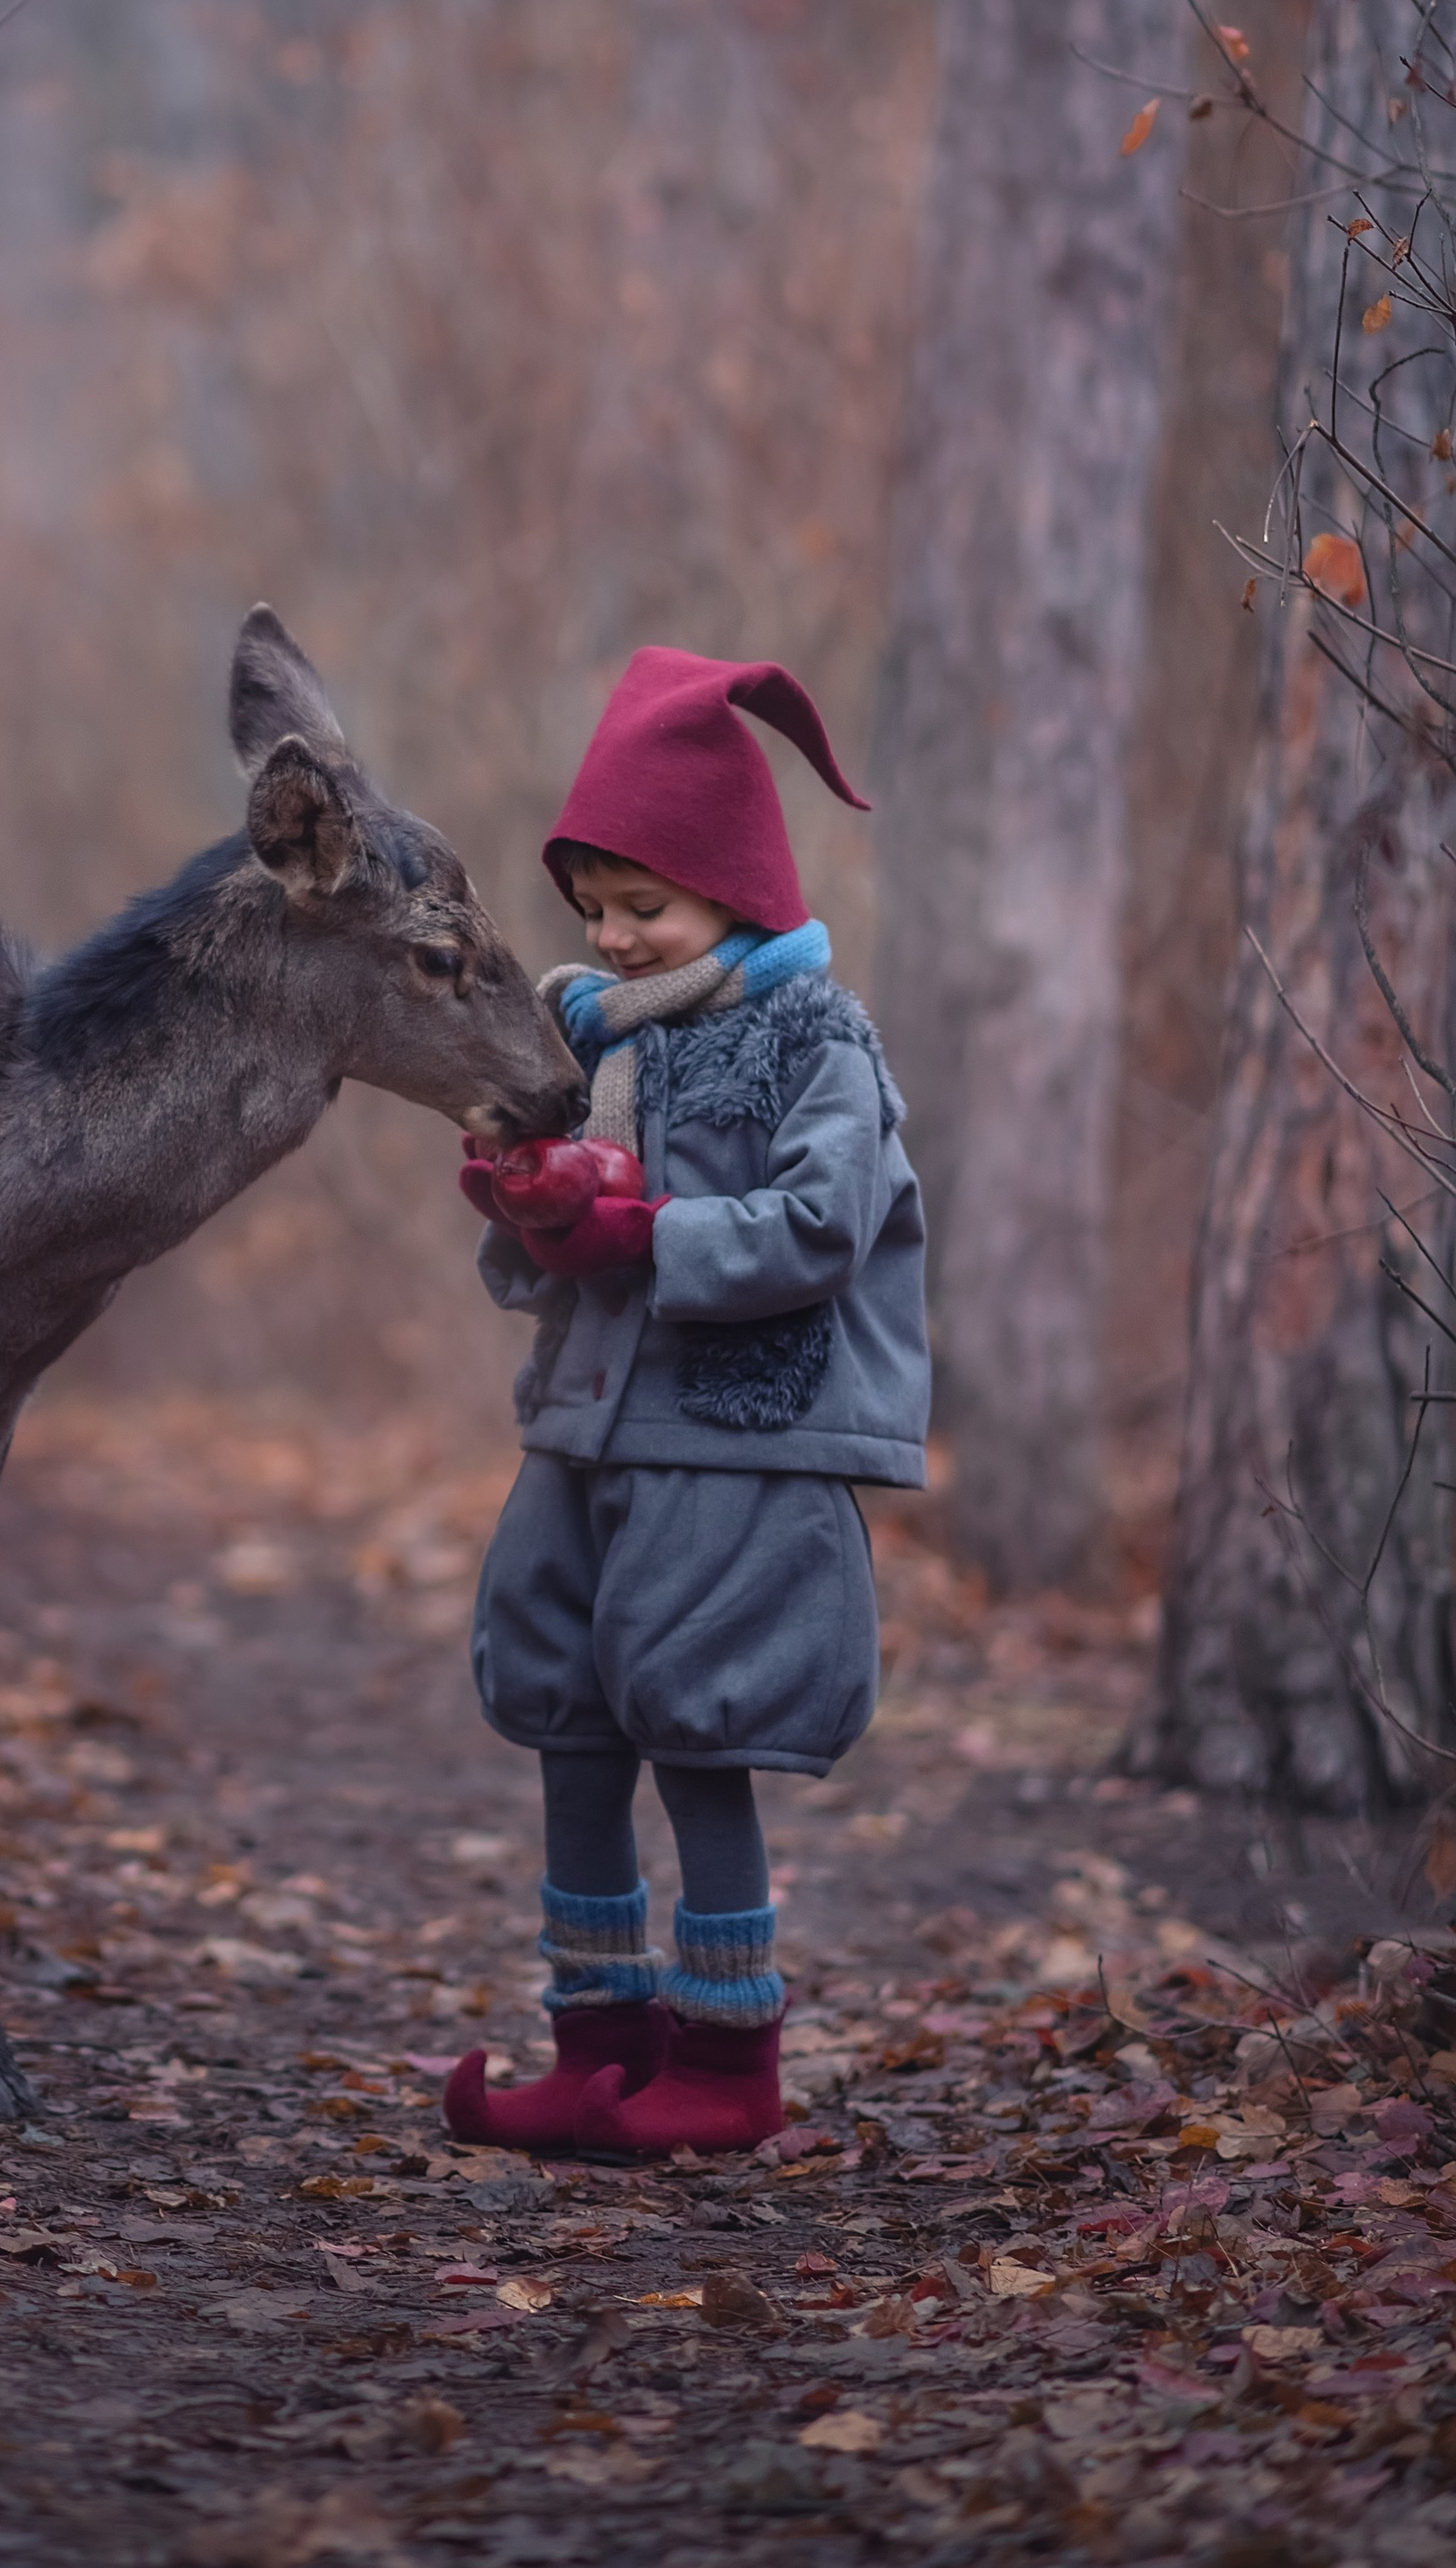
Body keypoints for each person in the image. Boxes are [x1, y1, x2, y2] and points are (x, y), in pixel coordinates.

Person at [448, 652, 928, 2158]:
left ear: (734, 886)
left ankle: (728, 2059)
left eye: (643, 905)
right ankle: (597, 2043)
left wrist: (646, 1235)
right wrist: (529, 1210)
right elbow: (535, 1269)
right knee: (569, 1716)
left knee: (700, 1719)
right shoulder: (594, 1037)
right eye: (594, 906)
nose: (612, 934)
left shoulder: (815, 1040)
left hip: (736, 1429)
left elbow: (821, 1228)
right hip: (587, 1424)